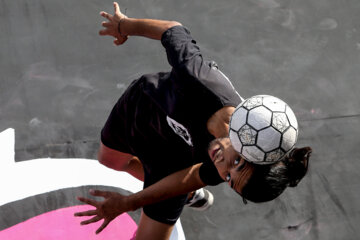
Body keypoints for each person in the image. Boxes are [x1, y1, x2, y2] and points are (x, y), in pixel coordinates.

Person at [74, 2, 312, 239]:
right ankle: (190, 196)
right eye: (236, 162)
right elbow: (172, 30)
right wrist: (123, 25)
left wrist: (128, 202)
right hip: (141, 108)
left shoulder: (227, 164)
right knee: (110, 162)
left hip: (176, 164)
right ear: (249, 146)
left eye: (228, 178)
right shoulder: (200, 81)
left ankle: (187, 195)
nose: (223, 167)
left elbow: (192, 177)